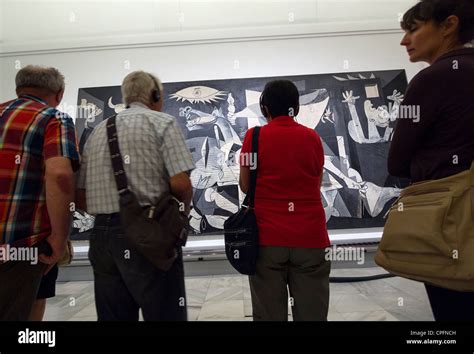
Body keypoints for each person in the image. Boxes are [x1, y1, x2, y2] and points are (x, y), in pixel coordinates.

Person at [76, 71, 195, 321]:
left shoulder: (98, 131)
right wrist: (181, 213)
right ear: (155, 95)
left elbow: (81, 197)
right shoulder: (162, 123)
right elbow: (181, 184)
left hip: (102, 237)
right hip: (149, 232)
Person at [389, 0, 474, 321]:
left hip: (448, 217)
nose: (404, 40)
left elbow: (396, 162)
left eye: (413, 29)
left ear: (448, 25)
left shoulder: (431, 79)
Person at [239, 80, 331, 321]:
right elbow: (316, 182)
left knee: (269, 315)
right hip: (311, 237)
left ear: (264, 108)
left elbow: (245, 185)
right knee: (313, 314)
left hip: (267, 239)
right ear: (296, 107)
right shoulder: (312, 138)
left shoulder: (254, 137)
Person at [0, 65, 79, 321]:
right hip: (23, 247)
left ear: (18, 88)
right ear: (59, 93)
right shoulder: (53, 118)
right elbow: (59, 175)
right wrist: (59, 237)